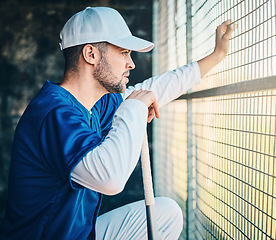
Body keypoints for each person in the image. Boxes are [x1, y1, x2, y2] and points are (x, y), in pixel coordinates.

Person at [2, 6, 236, 240]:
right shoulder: (54, 113)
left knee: (166, 214)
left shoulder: (93, 105)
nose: (131, 63)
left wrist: (217, 55)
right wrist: (134, 109)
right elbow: (111, 179)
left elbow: (154, 89)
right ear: (90, 54)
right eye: (124, 52)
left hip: (79, 234)